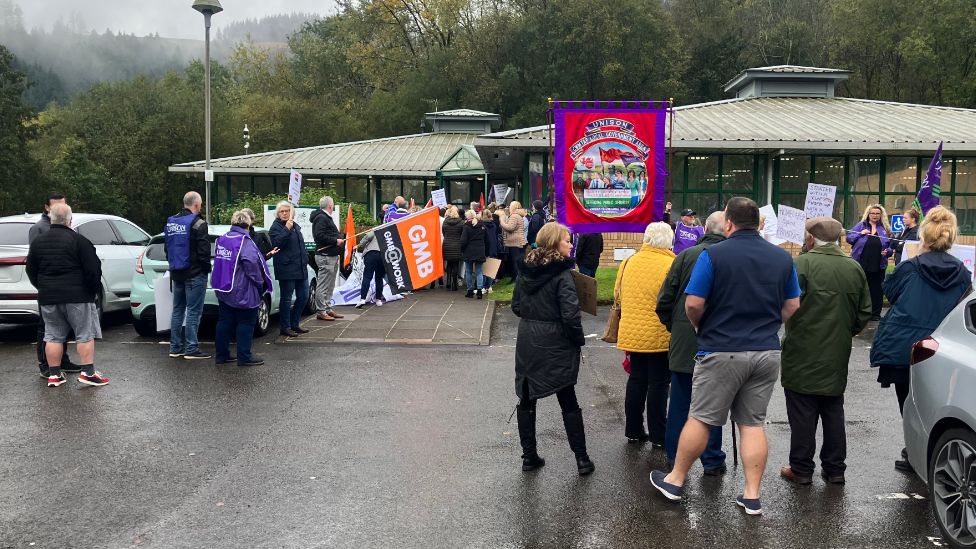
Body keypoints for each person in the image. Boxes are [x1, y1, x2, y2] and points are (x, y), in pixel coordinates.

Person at [650, 197, 800, 516]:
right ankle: (751, 496)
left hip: (721, 348)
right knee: (752, 423)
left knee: (702, 417)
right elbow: (792, 305)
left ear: (728, 222)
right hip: (766, 350)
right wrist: (770, 325)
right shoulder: (781, 258)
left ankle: (675, 480)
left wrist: (700, 326)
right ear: (759, 223)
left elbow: (693, 303)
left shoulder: (712, 255)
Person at [870, 206, 972, 473]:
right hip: (943, 345)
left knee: (908, 401)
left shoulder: (910, 267)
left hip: (905, 346)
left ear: (924, 235)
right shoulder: (962, 272)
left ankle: (914, 451)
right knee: (940, 402)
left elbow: (889, 293)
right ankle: (929, 453)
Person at [779, 217, 872, 486]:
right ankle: (835, 469)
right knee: (833, 410)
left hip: (801, 348)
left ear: (810, 238)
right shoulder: (853, 267)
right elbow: (865, 310)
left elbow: (786, 303)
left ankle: (802, 469)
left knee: (802, 413)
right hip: (836, 348)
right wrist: (845, 331)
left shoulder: (801, 264)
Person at [512, 222, 592, 475]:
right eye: (567, 240)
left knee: (526, 397)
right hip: (556, 342)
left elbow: (516, 306)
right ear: (556, 243)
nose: (571, 244)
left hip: (528, 341)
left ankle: (529, 457)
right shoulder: (563, 275)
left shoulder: (525, 270)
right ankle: (581, 459)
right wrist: (578, 340)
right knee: (567, 396)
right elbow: (570, 315)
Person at [655, 211, 728, 476]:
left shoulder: (685, 257)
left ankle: (675, 456)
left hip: (685, 339)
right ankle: (712, 459)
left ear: (705, 228)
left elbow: (664, 300)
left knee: (680, 401)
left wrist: (675, 328)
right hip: (721, 341)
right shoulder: (731, 258)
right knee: (714, 403)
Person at [25, 204, 109, 387]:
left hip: (48, 297)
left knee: (53, 335)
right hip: (78, 296)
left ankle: (54, 375)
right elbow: (93, 271)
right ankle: (88, 372)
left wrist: (42, 287)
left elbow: (30, 270)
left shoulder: (38, 242)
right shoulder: (80, 241)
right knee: (84, 335)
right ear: (70, 220)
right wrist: (91, 290)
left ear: (51, 218)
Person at [614, 222, 675, 446]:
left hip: (632, 332)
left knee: (637, 380)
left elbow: (617, 294)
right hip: (660, 334)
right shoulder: (671, 263)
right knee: (659, 384)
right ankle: (659, 435)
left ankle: (633, 430)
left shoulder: (629, 261)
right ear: (668, 241)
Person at [212, 211, 274, 367]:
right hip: (243, 289)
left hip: (223, 287)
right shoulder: (245, 242)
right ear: (248, 225)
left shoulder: (222, 239)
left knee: (224, 322)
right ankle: (244, 356)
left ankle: (222, 355)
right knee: (246, 322)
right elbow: (251, 264)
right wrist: (260, 282)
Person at [29, 191, 80, 376]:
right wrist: (41, 285)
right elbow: (33, 264)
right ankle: (45, 365)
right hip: (48, 289)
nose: (60, 208)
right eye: (56, 205)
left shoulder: (66, 226)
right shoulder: (39, 228)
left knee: (62, 327)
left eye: (63, 204)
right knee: (46, 328)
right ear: (47, 207)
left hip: (64, 290)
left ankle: (62, 361)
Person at [165, 191, 212, 360]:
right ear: (197, 205)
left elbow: (167, 249)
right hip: (195, 274)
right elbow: (204, 252)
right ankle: (192, 348)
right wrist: (206, 270)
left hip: (176, 273)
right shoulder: (199, 223)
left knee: (177, 310)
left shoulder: (171, 222)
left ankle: (175, 347)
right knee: (193, 312)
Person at [268, 201, 310, 337]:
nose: (285, 213)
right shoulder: (275, 227)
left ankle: (295, 323)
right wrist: (286, 228)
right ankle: (285, 326)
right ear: (278, 213)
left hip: (300, 267)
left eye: (287, 211)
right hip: (286, 268)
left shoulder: (295, 226)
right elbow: (277, 244)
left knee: (303, 296)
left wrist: (306, 258)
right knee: (286, 299)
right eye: (282, 211)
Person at [847, 204, 891, 320]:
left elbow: (891, 247)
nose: (875, 216)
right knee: (859, 287)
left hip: (878, 264)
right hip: (861, 262)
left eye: (877, 213)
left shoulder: (885, 228)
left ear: (881, 215)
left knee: (876, 289)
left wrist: (888, 252)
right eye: (872, 213)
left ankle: (875, 314)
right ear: (868, 214)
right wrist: (860, 234)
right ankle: (857, 312)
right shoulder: (861, 225)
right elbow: (849, 238)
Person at [310, 196, 345, 322]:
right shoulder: (321, 218)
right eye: (333, 204)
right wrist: (335, 240)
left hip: (331, 255)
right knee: (324, 284)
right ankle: (321, 310)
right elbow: (319, 235)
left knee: (330, 285)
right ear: (330, 205)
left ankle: (327, 307)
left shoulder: (324, 217)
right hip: (325, 256)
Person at [461, 209, 488, 298]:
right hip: (480, 250)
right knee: (479, 271)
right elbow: (487, 239)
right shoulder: (482, 226)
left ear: (467, 217)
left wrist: (462, 249)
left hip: (469, 251)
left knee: (468, 272)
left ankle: (470, 290)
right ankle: (479, 291)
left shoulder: (466, 226)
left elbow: (463, 240)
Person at [355, 231, 386, 308]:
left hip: (371, 254)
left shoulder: (376, 231)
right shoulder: (389, 233)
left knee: (367, 277)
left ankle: (362, 299)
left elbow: (367, 237)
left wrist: (359, 246)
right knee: (379, 278)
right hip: (383, 255)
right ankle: (378, 300)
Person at [500, 201, 528, 281]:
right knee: (517, 260)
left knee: (515, 261)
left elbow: (510, 228)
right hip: (517, 241)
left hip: (514, 242)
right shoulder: (518, 215)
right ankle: (516, 277)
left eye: (510, 206)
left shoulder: (514, 216)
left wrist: (502, 221)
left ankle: (516, 278)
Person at [442, 206, 464, 291]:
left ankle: (448, 282)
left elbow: (443, 233)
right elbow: (462, 234)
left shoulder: (445, 222)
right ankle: (454, 284)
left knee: (449, 264)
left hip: (447, 244)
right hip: (457, 245)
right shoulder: (461, 222)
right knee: (455, 265)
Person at [479, 209, 499, 293]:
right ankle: (489, 286)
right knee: (491, 268)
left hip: (485, 248)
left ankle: (483, 286)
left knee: (484, 269)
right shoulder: (494, 225)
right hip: (494, 247)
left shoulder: (482, 225)